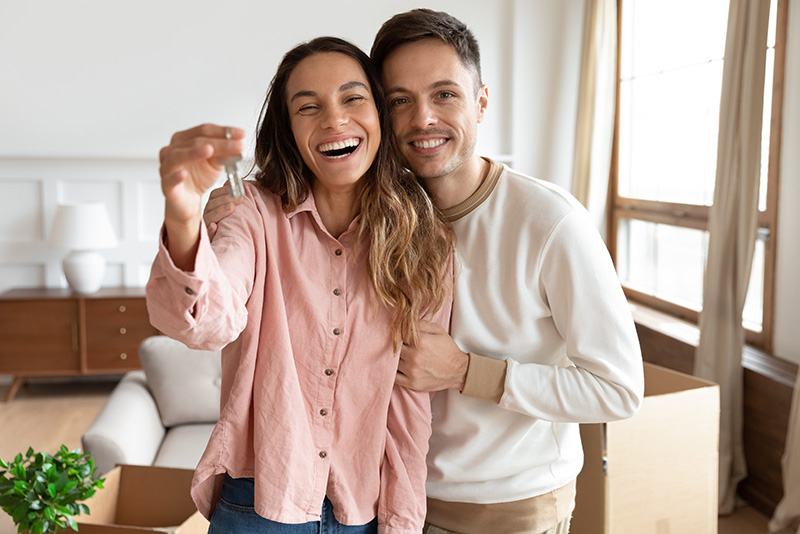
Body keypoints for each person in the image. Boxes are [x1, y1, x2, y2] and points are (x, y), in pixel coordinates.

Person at [205, 10, 645, 534]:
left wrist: (465, 371)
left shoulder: (549, 221)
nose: (422, 120)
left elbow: (618, 390)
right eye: (399, 102)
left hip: (507, 508)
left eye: (445, 95)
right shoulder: (375, 220)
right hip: (392, 501)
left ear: (481, 102)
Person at [147, 36, 453, 534]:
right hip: (259, 503)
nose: (334, 120)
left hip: (364, 511)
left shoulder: (423, 237)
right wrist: (183, 218)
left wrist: (401, 524)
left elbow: (410, 405)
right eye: (308, 107)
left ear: (380, 115)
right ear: (289, 131)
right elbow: (210, 323)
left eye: (353, 99)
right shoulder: (250, 212)